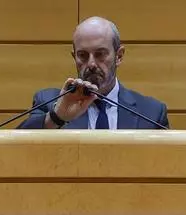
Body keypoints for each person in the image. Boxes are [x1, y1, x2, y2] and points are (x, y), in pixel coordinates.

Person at [17, 17, 170, 130]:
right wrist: (57, 117)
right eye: (83, 55)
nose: (91, 64)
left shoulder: (151, 112)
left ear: (119, 56)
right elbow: (18, 149)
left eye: (100, 54)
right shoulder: (49, 102)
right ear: (74, 57)